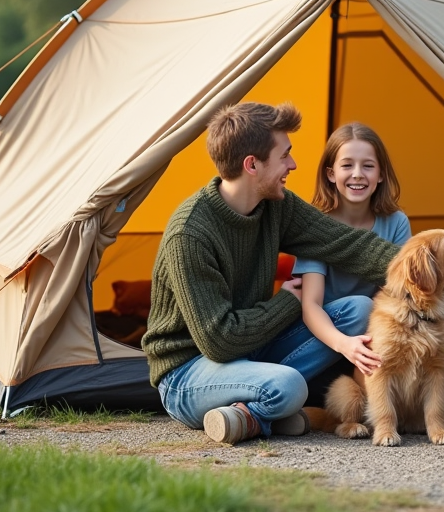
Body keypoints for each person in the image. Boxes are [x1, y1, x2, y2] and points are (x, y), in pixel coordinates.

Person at [142, 102, 400, 445]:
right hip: (188, 372)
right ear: (252, 164)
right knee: (289, 385)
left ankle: (249, 414)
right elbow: (219, 341)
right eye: (285, 156)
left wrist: (441, 275)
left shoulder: (277, 206)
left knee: (358, 310)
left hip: (250, 351)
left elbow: (352, 245)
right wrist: (286, 303)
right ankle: (258, 412)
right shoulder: (190, 234)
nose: (292, 165)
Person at [291, 123, 411, 377]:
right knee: (360, 307)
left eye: (368, 166)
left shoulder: (396, 222)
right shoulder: (317, 225)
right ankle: (282, 379)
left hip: (372, 336)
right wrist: (343, 344)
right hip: (323, 333)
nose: (357, 174)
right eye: (347, 165)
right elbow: (311, 305)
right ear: (330, 174)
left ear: (380, 174)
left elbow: (398, 294)